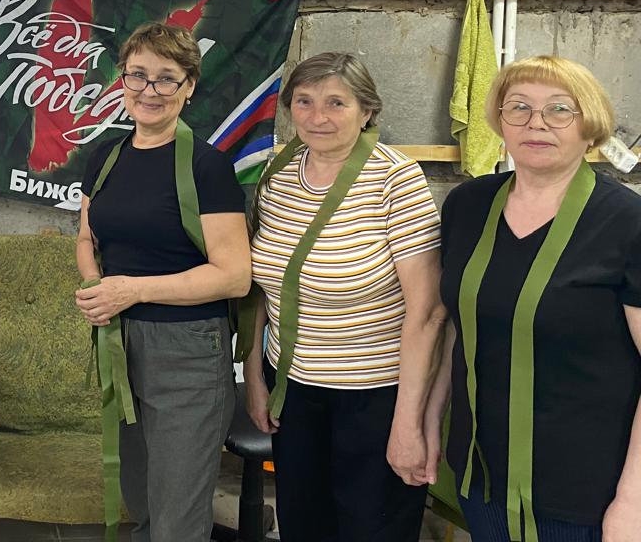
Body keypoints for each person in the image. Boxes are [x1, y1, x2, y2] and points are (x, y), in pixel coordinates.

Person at [428, 56, 641, 542]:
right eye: (519, 107)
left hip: (589, 493)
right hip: (482, 478)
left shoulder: (627, 223)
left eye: (559, 109)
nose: (536, 122)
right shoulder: (468, 206)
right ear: (500, 121)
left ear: (590, 124)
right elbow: (458, 330)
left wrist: (633, 500)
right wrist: (425, 424)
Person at [244, 51, 445, 542]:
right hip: (293, 390)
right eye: (304, 101)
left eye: (336, 102)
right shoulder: (278, 174)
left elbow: (427, 312)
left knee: (372, 528)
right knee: (303, 525)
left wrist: (409, 422)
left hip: (375, 394)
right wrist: (254, 375)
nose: (318, 117)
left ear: (367, 110)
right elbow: (262, 289)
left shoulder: (396, 179)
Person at [75, 21, 251, 542]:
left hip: (188, 353)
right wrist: (97, 288)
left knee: (177, 520)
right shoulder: (103, 158)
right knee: (143, 502)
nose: (149, 90)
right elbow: (86, 238)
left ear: (189, 86)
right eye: (137, 75)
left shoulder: (207, 167)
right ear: (122, 80)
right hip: (121, 343)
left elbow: (234, 276)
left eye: (166, 78)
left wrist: (131, 290)